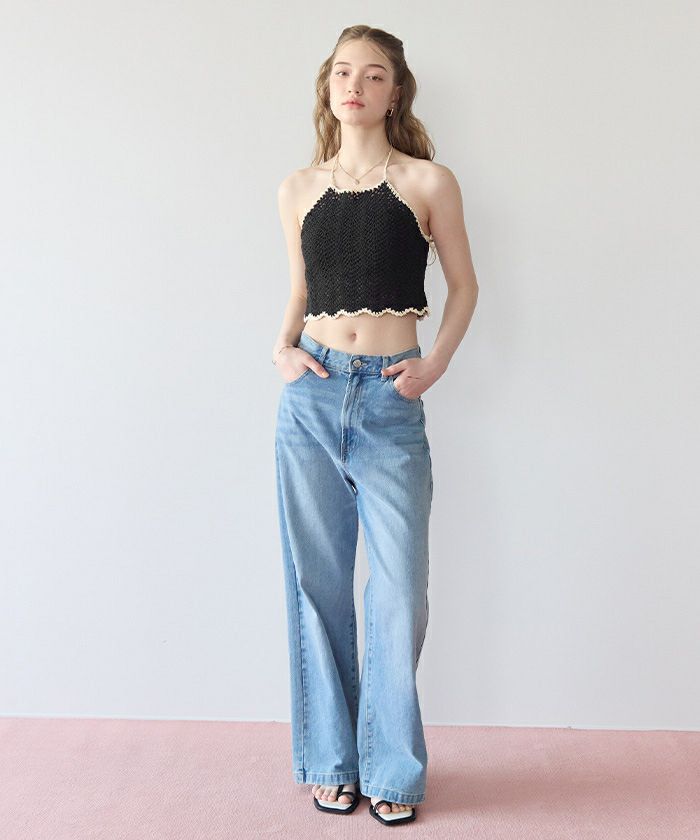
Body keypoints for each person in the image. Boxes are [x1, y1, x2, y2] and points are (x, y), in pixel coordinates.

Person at [272, 25, 478, 826]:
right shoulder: (297, 187)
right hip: (313, 397)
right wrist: (281, 349)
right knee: (317, 584)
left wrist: (436, 365)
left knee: (399, 592)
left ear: (396, 92)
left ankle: (392, 766)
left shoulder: (428, 181)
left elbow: (463, 286)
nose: (355, 85)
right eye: (343, 73)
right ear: (328, 87)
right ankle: (332, 761)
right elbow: (300, 289)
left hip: (392, 398)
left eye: (374, 74)